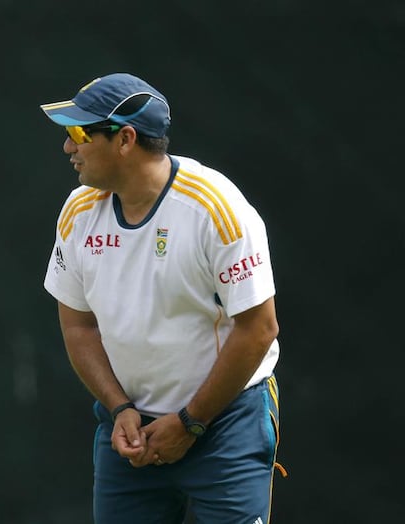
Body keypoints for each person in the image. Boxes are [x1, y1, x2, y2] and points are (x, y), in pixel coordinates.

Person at [40, 73, 286, 523]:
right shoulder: (78, 210)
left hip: (227, 423)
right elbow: (78, 325)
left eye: (78, 133)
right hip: (130, 430)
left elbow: (259, 328)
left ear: (125, 139)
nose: (67, 148)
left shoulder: (217, 208)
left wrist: (191, 422)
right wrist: (119, 408)